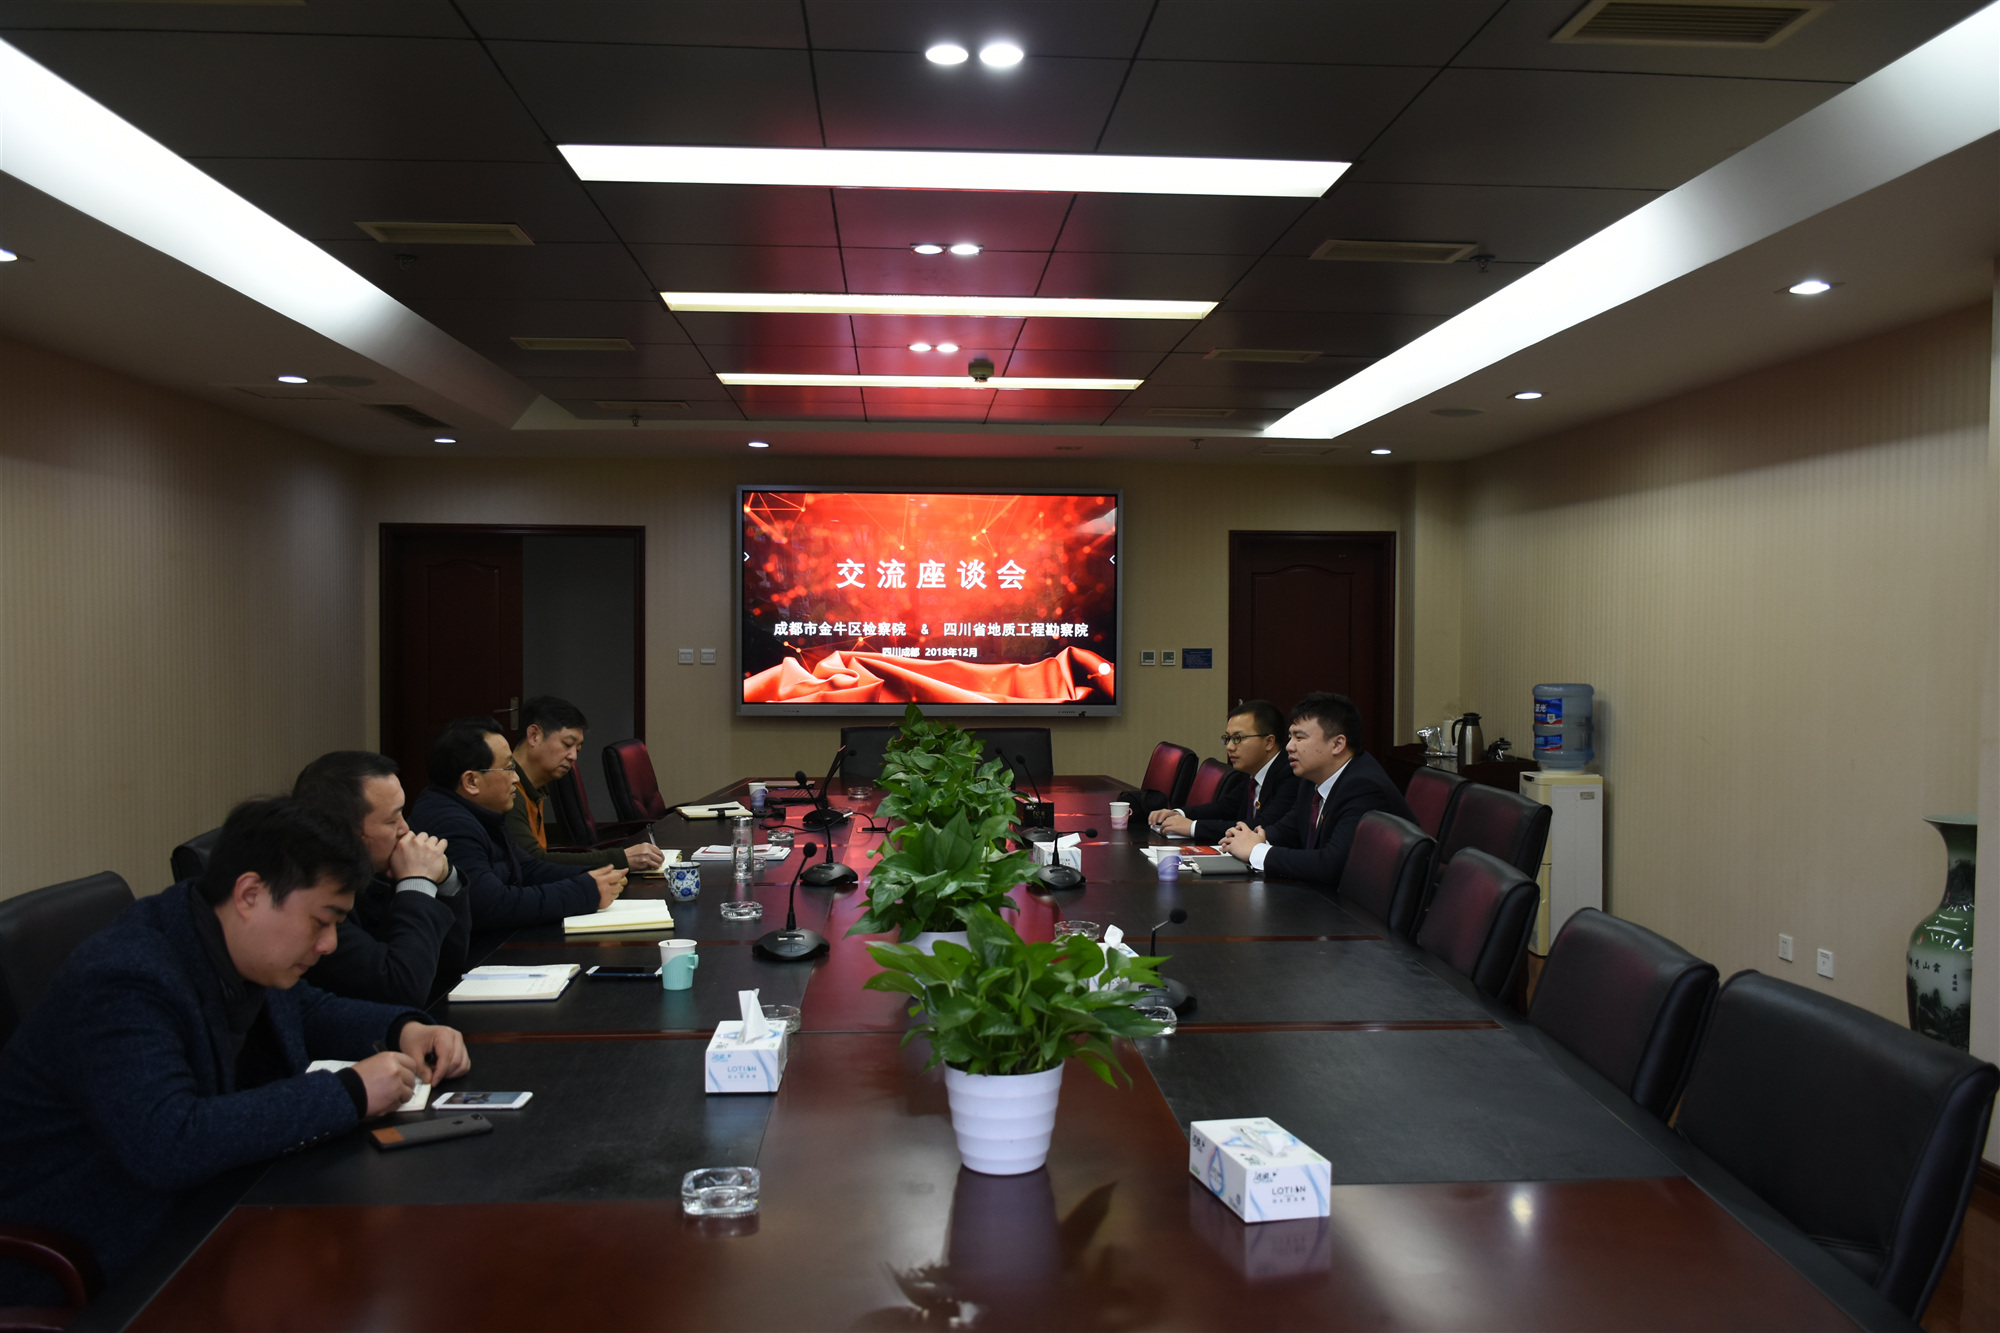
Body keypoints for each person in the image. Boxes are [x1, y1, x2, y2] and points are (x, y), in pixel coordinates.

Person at [0, 799, 470, 1303]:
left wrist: (403, 1028)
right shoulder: (123, 978)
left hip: (211, 1208)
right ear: (250, 894)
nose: (330, 944)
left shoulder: (221, 936)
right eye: (322, 920)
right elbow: (169, 1141)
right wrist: (350, 1092)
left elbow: (306, 1010)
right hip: (110, 1252)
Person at [408, 717, 624, 932]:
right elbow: (493, 906)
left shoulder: (479, 811)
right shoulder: (450, 826)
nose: (516, 779)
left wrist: (596, 874)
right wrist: (585, 891)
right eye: (508, 768)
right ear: (471, 781)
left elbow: (528, 867)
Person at [293, 750, 472, 1007]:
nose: (405, 829)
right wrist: (417, 884)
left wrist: (446, 879)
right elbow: (401, 988)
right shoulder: (311, 897)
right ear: (344, 831)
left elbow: (448, 963)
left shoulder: (379, 872)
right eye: (391, 820)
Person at [1219, 692, 1414, 886]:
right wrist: (1248, 839)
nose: (1289, 747)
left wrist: (1256, 851)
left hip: (1355, 902)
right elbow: (1288, 830)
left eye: (1299, 738)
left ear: (1338, 744)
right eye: (1290, 737)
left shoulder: (1364, 787)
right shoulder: (1312, 778)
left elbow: (1330, 865)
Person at [505, 696, 663, 873]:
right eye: (567, 744)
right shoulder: (506, 790)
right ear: (534, 735)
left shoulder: (535, 787)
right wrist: (620, 859)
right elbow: (532, 862)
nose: (573, 756)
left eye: (577, 749)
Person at [1149, 699, 1299, 841]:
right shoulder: (1251, 771)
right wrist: (1178, 813)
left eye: (1238, 738)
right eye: (1228, 739)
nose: (1230, 747)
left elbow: (1262, 826)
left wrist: (1193, 827)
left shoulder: (1291, 774)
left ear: (1269, 742)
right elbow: (1224, 808)